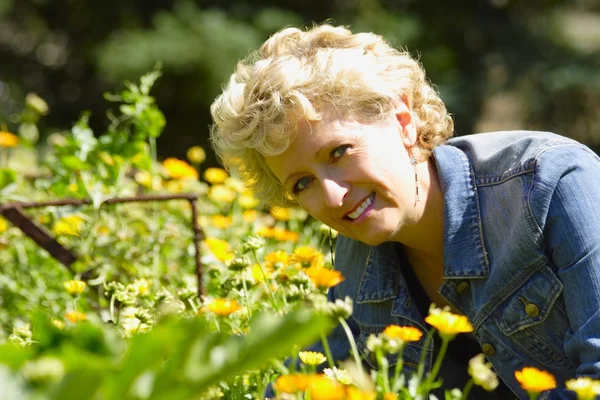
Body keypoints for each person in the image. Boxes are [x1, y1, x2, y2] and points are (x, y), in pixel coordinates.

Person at [209, 24, 600, 400]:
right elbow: (302, 385)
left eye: (339, 152)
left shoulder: (552, 184)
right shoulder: (355, 258)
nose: (332, 196)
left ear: (403, 120)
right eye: (302, 184)